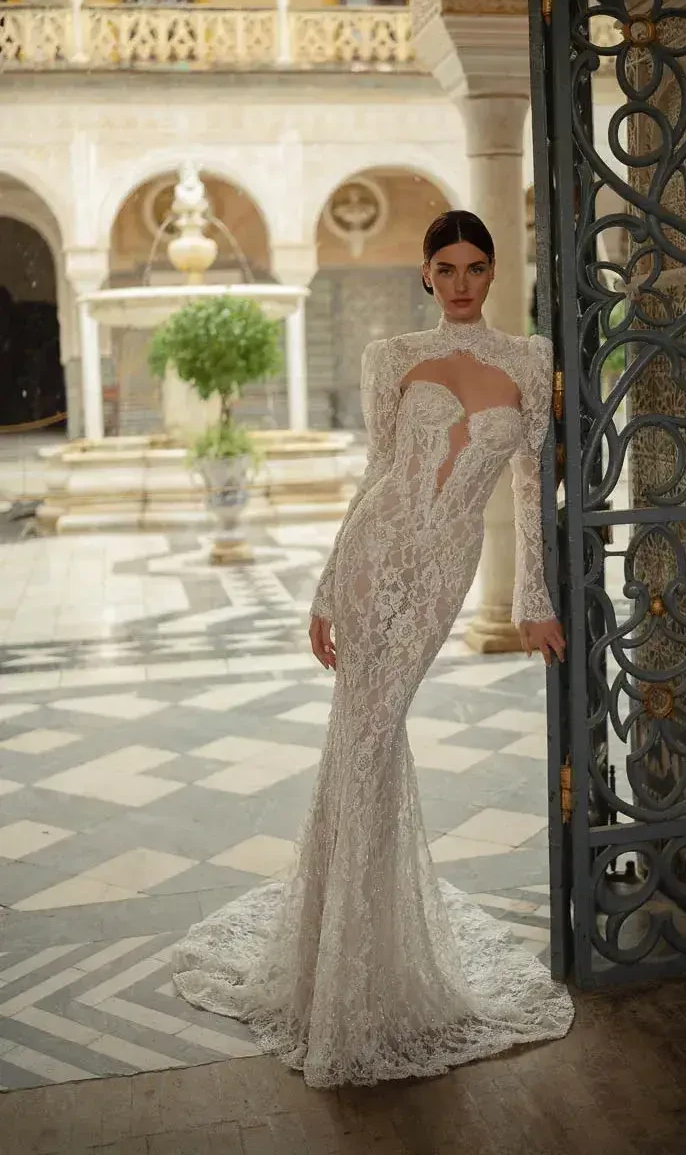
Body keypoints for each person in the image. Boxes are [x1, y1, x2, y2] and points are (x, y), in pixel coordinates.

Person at [172, 210, 574, 1089]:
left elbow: (529, 492)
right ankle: (350, 963)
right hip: (375, 556)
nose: (463, 281)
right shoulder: (392, 356)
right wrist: (325, 586)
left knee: (370, 733)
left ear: (494, 272)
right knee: (363, 738)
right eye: (446, 267)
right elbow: (373, 476)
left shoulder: (529, 360)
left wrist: (533, 604)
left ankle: (354, 950)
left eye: (476, 266)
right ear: (426, 275)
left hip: (441, 571)